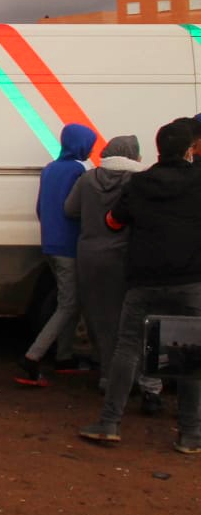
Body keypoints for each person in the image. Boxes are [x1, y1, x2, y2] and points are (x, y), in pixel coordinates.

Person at [79, 121, 201, 453]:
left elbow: (113, 222)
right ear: (190, 150)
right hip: (189, 280)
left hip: (143, 278)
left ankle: (110, 422)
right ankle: (190, 434)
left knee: (127, 348)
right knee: (187, 355)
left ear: (158, 149)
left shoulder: (141, 182)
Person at [63, 135, 161, 411]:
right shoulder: (138, 182)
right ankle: (135, 380)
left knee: (101, 320)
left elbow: (70, 209)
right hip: (125, 259)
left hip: (90, 257)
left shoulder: (88, 179)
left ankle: (107, 376)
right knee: (132, 325)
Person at [18, 124, 97, 385]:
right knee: (68, 305)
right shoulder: (78, 171)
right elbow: (76, 208)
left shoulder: (51, 168)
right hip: (69, 245)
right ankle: (32, 357)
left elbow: (41, 207)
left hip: (50, 243)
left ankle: (65, 357)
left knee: (68, 300)